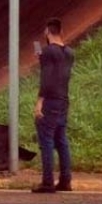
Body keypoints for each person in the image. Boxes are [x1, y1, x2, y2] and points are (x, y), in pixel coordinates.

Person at [32, 18, 75, 194]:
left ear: (47, 32)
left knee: (47, 141)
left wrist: (40, 102)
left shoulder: (48, 52)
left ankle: (47, 182)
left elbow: (47, 78)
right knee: (61, 140)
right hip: (63, 99)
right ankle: (65, 180)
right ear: (61, 31)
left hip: (50, 101)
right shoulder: (69, 53)